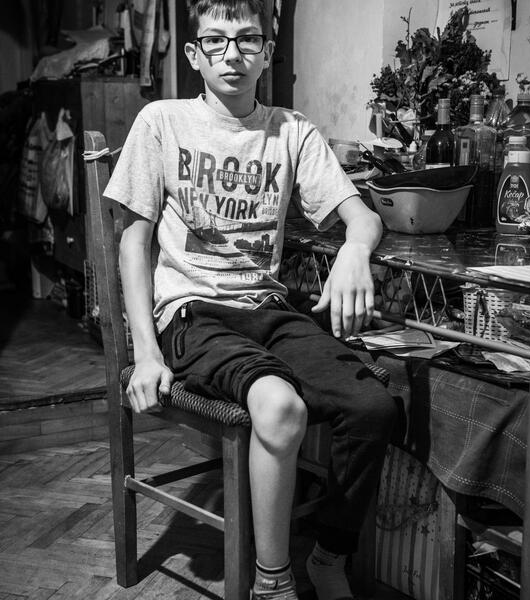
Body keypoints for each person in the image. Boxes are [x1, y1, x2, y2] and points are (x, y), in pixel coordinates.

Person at [104, 1, 397, 598]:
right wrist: (146, 353)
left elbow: (363, 218)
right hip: (190, 316)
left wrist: (354, 250)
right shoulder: (162, 122)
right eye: (216, 41)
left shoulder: (292, 130)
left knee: (375, 408)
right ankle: (273, 582)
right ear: (194, 55)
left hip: (266, 310)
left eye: (247, 40)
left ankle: (329, 556)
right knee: (281, 407)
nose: (232, 54)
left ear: (267, 52)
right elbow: (133, 244)